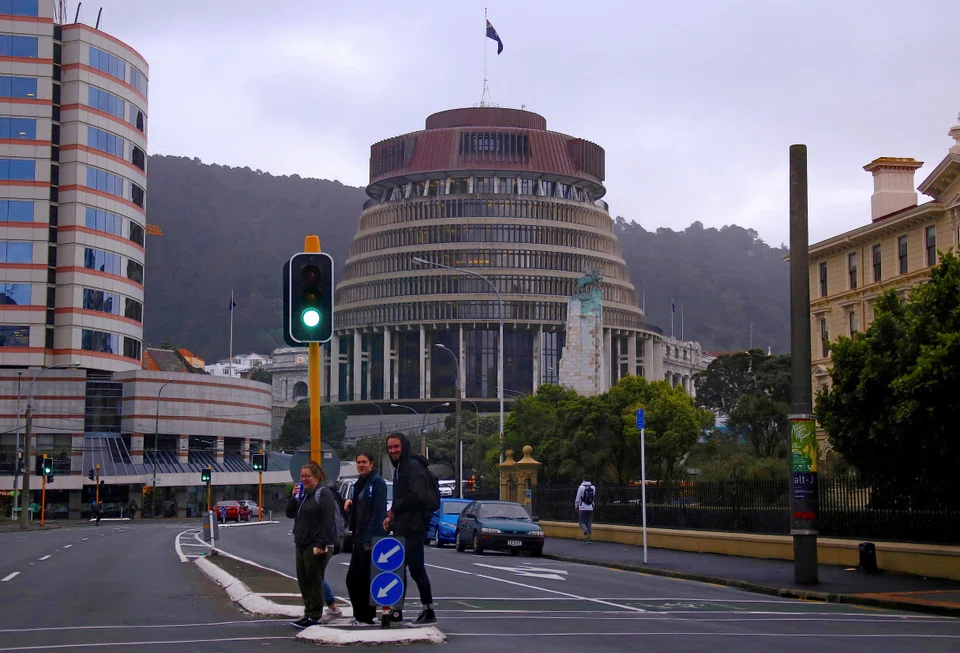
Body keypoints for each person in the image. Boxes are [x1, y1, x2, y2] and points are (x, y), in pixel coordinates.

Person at [382, 432, 437, 625]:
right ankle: (398, 611)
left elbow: (416, 495)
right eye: (390, 448)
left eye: (396, 447)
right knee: (402, 569)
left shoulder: (412, 467)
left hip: (413, 526)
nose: (393, 451)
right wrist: (393, 515)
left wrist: (393, 511)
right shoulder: (400, 468)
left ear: (404, 446)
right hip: (404, 525)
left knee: (415, 569)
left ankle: (428, 611)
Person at [285, 461, 338, 629]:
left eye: (307, 476)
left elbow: (328, 520)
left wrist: (321, 543)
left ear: (316, 476)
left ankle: (315, 616)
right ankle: (308, 613)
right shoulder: (303, 494)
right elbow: (289, 514)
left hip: (316, 544)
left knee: (315, 581)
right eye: (302, 476)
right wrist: (293, 499)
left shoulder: (323, 493)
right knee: (303, 580)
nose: (304, 479)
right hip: (301, 543)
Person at [344, 452, 387, 626]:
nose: (361, 465)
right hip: (359, 536)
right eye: (358, 462)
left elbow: (378, 512)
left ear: (372, 463)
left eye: (364, 462)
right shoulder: (359, 484)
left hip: (370, 539)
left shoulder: (377, 483)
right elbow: (361, 506)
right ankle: (362, 615)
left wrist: (370, 540)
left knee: (359, 579)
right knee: (357, 579)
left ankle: (365, 616)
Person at [575, 477, 596, 543]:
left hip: (582, 508)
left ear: (583, 480)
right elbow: (593, 496)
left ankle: (586, 532)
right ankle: (588, 539)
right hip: (591, 507)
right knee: (589, 523)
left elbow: (578, 497)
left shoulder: (581, 487)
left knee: (581, 522)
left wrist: (576, 506)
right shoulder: (593, 487)